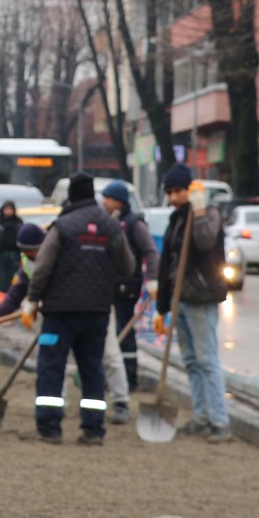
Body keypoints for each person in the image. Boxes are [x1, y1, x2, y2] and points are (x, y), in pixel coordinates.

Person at [22, 173, 134, 445]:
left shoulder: (62, 226)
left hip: (60, 312)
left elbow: (43, 268)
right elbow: (128, 267)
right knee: (92, 369)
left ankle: (50, 427)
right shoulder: (111, 226)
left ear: (70, 196)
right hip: (97, 312)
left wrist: (32, 299)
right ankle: (93, 429)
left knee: (52, 367)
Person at [155, 164, 232, 443]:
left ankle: (220, 421)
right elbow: (168, 264)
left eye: (178, 191)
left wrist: (198, 211)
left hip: (201, 297)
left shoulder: (208, 215)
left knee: (206, 359)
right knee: (190, 361)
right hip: (181, 299)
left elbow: (204, 243)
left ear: (190, 190)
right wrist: (161, 306)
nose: (174, 197)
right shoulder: (176, 220)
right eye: (170, 192)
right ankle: (201, 417)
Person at [101, 180, 159, 407]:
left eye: (107, 198)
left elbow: (150, 251)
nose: (103, 202)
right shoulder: (108, 221)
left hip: (127, 285)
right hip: (108, 285)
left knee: (125, 330)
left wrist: (152, 280)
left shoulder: (134, 224)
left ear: (118, 201)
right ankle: (114, 377)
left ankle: (130, 377)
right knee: (109, 333)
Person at [0, 201, 24, 301]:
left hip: (14, 253)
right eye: (6, 209)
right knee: (0, 276)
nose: (8, 211)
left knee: (10, 276)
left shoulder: (18, 222)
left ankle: (7, 298)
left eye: (10, 209)